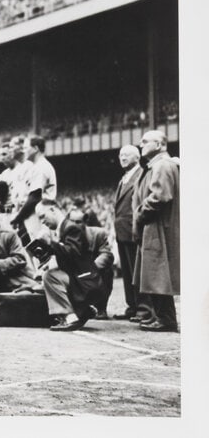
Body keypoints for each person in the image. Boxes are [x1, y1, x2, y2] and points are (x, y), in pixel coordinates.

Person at [33, 201, 108, 332]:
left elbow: (73, 253)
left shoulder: (71, 228)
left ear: (53, 210)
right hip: (80, 277)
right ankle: (83, 310)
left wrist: (50, 243)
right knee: (49, 275)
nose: (42, 222)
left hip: (84, 280)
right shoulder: (63, 228)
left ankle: (70, 316)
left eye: (43, 216)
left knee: (50, 277)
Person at [133, 130, 180, 332]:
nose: (140, 144)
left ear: (159, 145)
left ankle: (166, 319)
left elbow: (160, 197)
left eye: (145, 141)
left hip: (158, 225)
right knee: (156, 274)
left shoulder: (162, 165)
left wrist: (140, 213)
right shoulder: (159, 165)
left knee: (157, 273)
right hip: (157, 225)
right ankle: (163, 316)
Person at [112, 145, 152, 322]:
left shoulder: (141, 175)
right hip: (122, 231)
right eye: (120, 155)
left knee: (137, 271)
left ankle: (144, 308)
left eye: (126, 154)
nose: (122, 157)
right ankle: (133, 306)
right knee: (127, 272)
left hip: (134, 229)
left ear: (137, 157)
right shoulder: (124, 178)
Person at [12, 135, 57, 244]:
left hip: (41, 215)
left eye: (26, 148)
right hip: (36, 214)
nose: (24, 151)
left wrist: (18, 218)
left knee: (43, 252)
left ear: (36, 149)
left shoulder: (41, 167)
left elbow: (35, 197)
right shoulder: (36, 166)